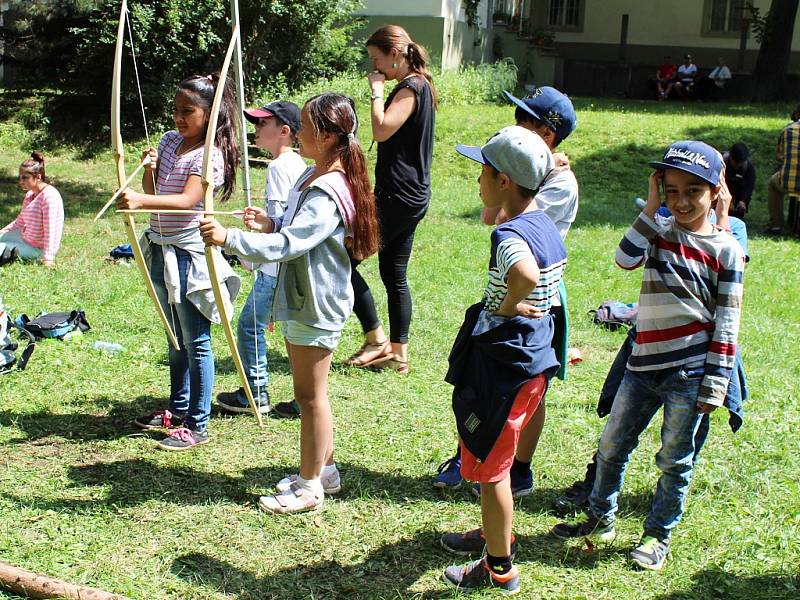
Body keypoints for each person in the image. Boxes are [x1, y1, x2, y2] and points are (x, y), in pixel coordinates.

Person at [551, 141, 745, 571]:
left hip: (689, 373)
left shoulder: (727, 249)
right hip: (641, 367)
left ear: (715, 191)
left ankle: (657, 536)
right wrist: (652, 205)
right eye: (670, 190)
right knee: (611, 446)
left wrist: (716, 384)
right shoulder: (658, 232)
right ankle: (600, 518)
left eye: (693, 191)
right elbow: (624, 257)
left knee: (674, 461)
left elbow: (728, 323)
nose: (681, 201)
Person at [200, 93, 379, 514]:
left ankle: (309, 485)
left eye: (304, 126)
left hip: (318, 302)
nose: (297, 132)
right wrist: (269, 223)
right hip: (307, 297)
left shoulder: (327, 188)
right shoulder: (314, 176)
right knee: (312, 393)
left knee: (309, 396)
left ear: (329, 135)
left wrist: (230, 239)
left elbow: (290, 244)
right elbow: (292, 230)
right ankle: (326, 470)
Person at [439, 126, 566, 594]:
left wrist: (510, 304)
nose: (478, 181)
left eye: (483, 172)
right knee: (500, 460)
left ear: (505, 182)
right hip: (532, 360)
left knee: (492, 471)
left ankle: (499, 566)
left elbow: (526, 274)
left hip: (504, 366)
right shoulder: (545, 222)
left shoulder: (510, 233)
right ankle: (497, 534)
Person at [434, 86, 578, 494]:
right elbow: (490, 214)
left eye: (524, 119)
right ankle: (480, 453)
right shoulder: (532, 174)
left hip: (534, 299)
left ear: (546, 134)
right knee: (497, 392)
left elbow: (508, 233)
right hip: (517, 290)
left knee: (524, 387)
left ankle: (515, 468)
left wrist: (511, 303)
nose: (514, 122)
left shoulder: (559, 185)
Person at [117, 73, 242, 451]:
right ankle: (178, 408)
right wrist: (150, 173)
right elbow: (160, 193)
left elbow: (189, 200)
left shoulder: (210, 155)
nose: (179, 118)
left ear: (210, 114)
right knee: (175, 338)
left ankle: (197, 424)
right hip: (160, 247)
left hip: (189, 255)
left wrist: (139, 200)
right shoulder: (170, 141)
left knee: (196, 339)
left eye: (188, 111)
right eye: (175, 110)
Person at [343, 24, 436, 375]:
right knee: (393, 272)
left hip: (398, 196)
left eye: (376, 59)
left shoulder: (410, 87)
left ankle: (376, 339)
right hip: (411, 195)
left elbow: (382, 129)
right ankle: (398, 352)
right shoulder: (421, 85)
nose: (374, 67)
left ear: (394, 55)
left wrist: (376, 92)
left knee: (341, 259)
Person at [215, 101, 307, 416]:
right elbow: (284, 220)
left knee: (249, 325)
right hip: (291, 266)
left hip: (275, 268)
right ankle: (302, 397)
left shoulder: (280, 166)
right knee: (292, 332)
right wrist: (265, 222)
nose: (255, 130)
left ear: (284, 132)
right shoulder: (298, 164)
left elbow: (282, 226)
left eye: (261, 124)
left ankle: (255, 391)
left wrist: (253, 254)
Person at [0, 153, 64, 267]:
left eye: (25, 177)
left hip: (38, 249)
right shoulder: (30, 194)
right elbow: (20, 221)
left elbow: (51, 230)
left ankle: (9, 254)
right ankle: (8, 253)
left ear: (38, 177)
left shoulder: (50, 196)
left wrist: (48, 259)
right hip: (24, 238)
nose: (21, 181)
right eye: (20, 177)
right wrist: (2, 232)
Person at [765, 104, 800, 235]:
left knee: (773, 185)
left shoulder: (788, 130)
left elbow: (779, 155)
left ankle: (776, 225)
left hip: (788, 182)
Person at [724, 142, 755, 219]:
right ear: (731, 157)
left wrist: (743, 201)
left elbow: (749, 186)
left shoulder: (748, 168)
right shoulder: (721, 163)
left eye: (741, 163)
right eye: (736, 163)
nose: (739, 165)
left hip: (737, 194)